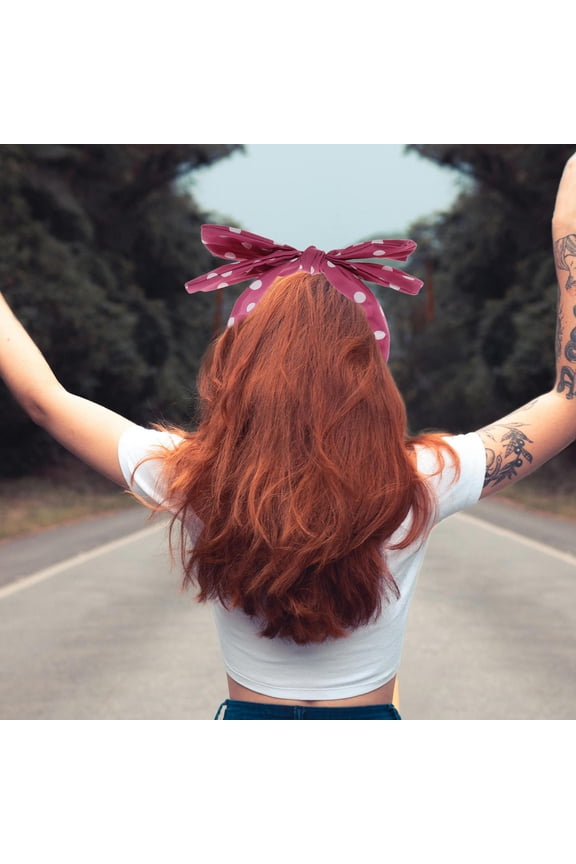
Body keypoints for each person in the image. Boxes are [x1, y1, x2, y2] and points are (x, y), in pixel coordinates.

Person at [2, 155, 576, 721]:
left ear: (240, 370)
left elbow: (45, 400)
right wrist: (568, 230)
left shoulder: (193, 476)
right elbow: (568, 401)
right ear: (371, 376)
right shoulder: (421, 478)